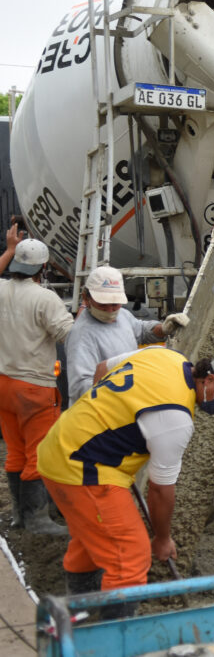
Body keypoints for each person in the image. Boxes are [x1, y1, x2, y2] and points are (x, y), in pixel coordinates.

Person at [36, 347, 214, 616]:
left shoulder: (165, 356)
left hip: (61, 444)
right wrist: (162, 539)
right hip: (83, 468)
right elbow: (160, 491)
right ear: (210, 380)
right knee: (130, 556)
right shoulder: (176, 418)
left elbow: (102, 369)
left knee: (94, 537)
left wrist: (106, 416)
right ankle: (113, 641)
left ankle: (80, 613)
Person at [0, 224, 73, 535]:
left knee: (15, 450)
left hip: (3, 384)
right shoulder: (45, 299)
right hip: (34, 388)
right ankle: (38, 519)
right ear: (43, 268)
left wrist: (9, 250)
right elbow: (69, 334)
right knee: (38, 453)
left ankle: (19, 515)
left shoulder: (1, 290)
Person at [66, 265, 190, 402]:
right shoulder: (81, 336)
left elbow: (141, 330)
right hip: (101, 409)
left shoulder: (122, 315)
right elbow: (80, 388)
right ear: (86, 298)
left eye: (115, 304)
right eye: (103, 304)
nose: (110, 310)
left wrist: (163, 329)